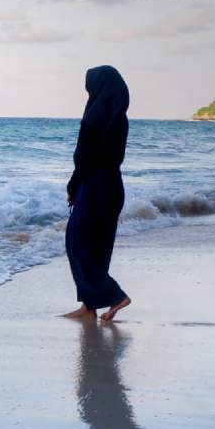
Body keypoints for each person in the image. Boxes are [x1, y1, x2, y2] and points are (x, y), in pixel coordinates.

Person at [63, 65, 132, 321]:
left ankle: (114, 295)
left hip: (94, 186)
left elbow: (84, 158)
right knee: (98, 247)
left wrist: (73, 186)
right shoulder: (119, 117)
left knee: (77, 244)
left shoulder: (93, 118)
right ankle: (89, 307)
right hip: (113, 186)